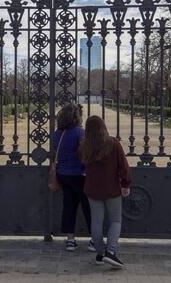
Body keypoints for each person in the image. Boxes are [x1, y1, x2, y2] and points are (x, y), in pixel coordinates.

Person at [79, 115, 131, 268]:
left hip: (92, 188)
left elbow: (81, 162)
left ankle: (100, 253)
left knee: (96, 221)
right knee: (115, 220)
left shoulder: (84, 146)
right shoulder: (113, 144)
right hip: (112, 188)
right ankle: (111, 252)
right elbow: (124, 165)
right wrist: (126, 183)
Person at [52, 103, 94, 252]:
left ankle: (70, 240)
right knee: (88, 207)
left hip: (62, 174)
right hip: (79, 174)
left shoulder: (57, 133)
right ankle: (94, 240)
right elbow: (85, 153)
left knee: (69, 206)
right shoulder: (80, 133)